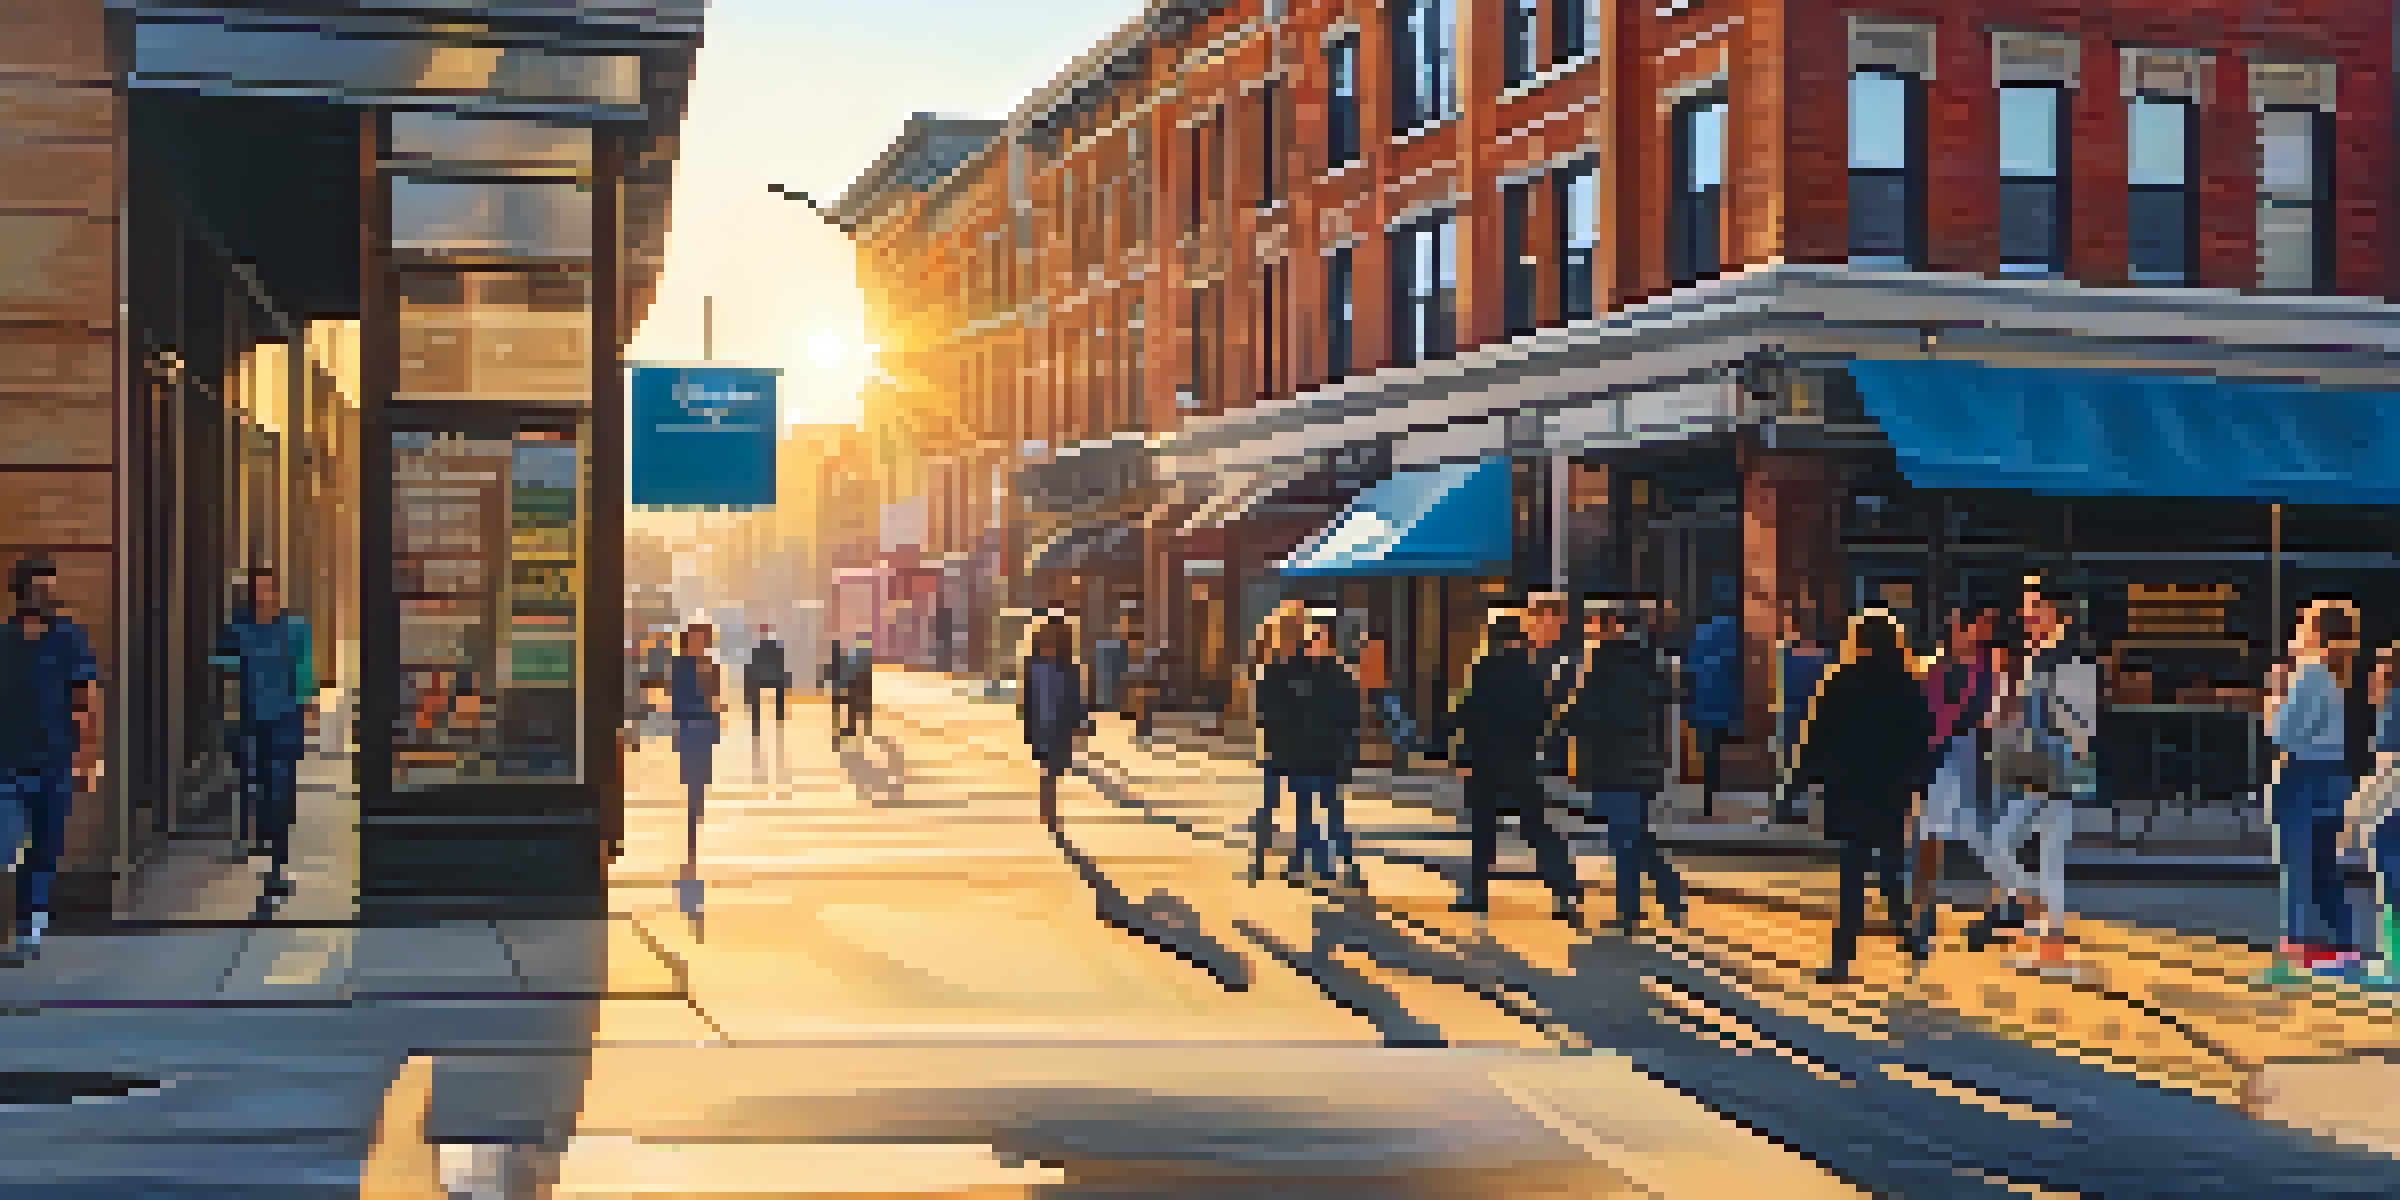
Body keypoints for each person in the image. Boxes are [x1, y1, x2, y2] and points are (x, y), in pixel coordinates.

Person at [1966, 578, 2099, 967]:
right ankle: (2050, 944)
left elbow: (2076, 717)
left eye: (2032, 607)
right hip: (2047, 760)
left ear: (2053, 611)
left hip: (2048, 762)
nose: (2025, 615)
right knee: (2046, 855)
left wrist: (2072, 753)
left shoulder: (2060, 655)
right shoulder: (2043, 654)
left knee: (2004, 844)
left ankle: (2042, 918)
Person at [1799, 611, 1935, 983]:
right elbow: (1920, 737)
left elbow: (1818, 733)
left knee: (1852, 874)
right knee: (1891, 866)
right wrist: (1919, 781)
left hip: (1850, 787)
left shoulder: (1841, 681)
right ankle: (1907, 933)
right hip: (1890, 788)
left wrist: (1801, 780)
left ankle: (1842, 958)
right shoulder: (1906, 684)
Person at [1557, 595, 1685, 933]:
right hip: (1643, 763)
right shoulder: (1651, 663)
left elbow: (1583, 714)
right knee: (1633, 833)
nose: (1585, 629)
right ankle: (1670, 893)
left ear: (1608, 627)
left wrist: (1562, 721)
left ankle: (1632, 909)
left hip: (1612, 763)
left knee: (1624, 839)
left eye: (1591, 623)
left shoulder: (1602, 664)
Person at [1451, 612, 1584, 920]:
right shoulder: (1533, 673)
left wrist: (1463, 758)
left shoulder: (1481, 670)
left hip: (1485, 761)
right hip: (1520, 760)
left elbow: (1465, 717)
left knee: (1483, 831)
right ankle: (1564, 885)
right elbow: (1544, 717)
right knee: (1535, 826)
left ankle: (1477, 893)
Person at [0, 557, 99, 959]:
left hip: (54, 761)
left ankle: (30, 931)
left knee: (43, 847)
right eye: (39, 588)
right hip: (7, 763)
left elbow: (85, 698)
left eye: (50, 588)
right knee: (8, 845)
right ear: (20, 592)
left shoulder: (68, 639)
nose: (47, 595)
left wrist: (87, 756)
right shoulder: (4, 640)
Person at [2264, 599, 2364, 975]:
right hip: (2331, 776)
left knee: (2297, 867)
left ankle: (2297, 948)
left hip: (2301, 774)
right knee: (2324, 867)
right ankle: (2343, 946)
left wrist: (2275, 692)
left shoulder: (2309, 673)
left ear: (2313, 630)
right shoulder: (2337, 675)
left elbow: (2280, 732)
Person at [210, 566, 319, 903]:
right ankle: (255, 839)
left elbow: (304, 671)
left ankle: (277, 865)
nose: (265, 597)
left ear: (278, 593)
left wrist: (309, 709)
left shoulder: (296, 629)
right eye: (258, 591)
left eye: (270, 590)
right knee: (253, 784)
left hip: (285, 719)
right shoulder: (237, 629)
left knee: (281, 789)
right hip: (250, 720)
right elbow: (219, 662)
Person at [1914, 608, 1999, 947]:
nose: (1958, 633)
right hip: (1941, 756)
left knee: (1983, 839)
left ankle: (1986, 916)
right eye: (1954, 627)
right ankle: (1925, 914)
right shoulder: (1936, 668)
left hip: (1975, 755)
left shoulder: (1986, 669)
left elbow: (1991, 713)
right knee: (1930, 836)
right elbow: (1924, 713)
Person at [1274, 618, 1364, 887]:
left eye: (1322, 638)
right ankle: (1303, 864)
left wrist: (1347, 756)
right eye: (1314, 638)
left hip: (1329, 756)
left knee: (1332, 814)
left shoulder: (1342, 677)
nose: (1317, 644)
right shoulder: (1298, 675)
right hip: (1302, 755)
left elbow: (1351, 720)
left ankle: (1337, 865)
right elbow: (1285, 714)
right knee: (1305, 812)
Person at [1247, 600, 1312, 883]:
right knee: (1302, 806)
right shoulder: (1308, 667)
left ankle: (1260, 858)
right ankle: (1296, 864)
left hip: (1274, 744)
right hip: (1300, 745)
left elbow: (1260, 711)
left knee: (1269, 804)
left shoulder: (1268, 667)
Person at [658, 623, 724, 881]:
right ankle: (692, 820)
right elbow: (676, 698)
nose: (699, 644)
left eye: (703, 640)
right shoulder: (679, 665)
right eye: (695, 639)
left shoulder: (712, 666)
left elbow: (716, 698)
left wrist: (715, 727)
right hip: (687, 726)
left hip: (705, 727)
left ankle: (695, 815)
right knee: (691, 777)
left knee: (701, 778)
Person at [1684, 575, 1742, 819]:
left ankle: (1709, 799)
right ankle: (1714, 797)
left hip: (1703, 703)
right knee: (1718, 753)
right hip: (1724, 702)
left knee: (1708, 754)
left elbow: (1691, 669)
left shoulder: (1701, 633)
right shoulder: (1735, 631)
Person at [2358, 645, 2400, 981]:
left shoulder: (2392, 707)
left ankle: (2393, 962)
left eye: (2379, 669)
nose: (2372, 676)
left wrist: (2359, 809)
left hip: (2391, 808)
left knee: (2390, 882)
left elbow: (2389, 768)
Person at [1774, 604, 1837, 825]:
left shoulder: (1785, 656)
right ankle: (1826, 814)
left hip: (1793, 717)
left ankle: (1784, 809)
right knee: (1820, 769)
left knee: (1794, 769)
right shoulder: (1826, 659)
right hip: (1813, 719)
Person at [1021, 618, 1088, 825]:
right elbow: (1029, 698)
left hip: (1062, 725)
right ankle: (1048, 807)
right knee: (1047, 767)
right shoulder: (1035, 666)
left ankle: (1049, 805)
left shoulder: (1071, 668)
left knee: (1056, 767)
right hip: (1042, 725)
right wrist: (1028, 725)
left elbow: (1078, 698)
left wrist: (1081, 722)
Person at [746, 624, 789, 738]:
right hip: (768, 677)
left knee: (776, 687)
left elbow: (780, 666)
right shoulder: (758, 649)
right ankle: (772, 721)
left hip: (768, 677)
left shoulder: (774, 649)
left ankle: (768, 722)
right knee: (757, 689)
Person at [823, 638, 850, 743]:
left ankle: (837, 731)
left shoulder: (831, 664)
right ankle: (842, 731)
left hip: (837, 689)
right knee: (842, 710)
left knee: (837, 711)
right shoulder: (844, 662)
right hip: (842, 688)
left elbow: (828, 676)